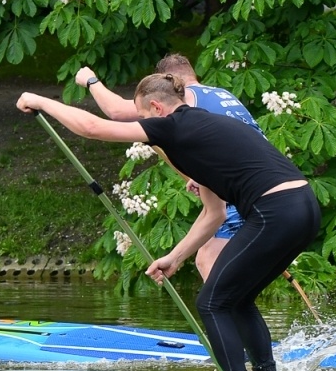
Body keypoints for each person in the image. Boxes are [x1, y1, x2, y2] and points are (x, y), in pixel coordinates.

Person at [19, 74, 320, 371]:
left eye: (142, 115)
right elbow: (215, 213)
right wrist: (175, 257)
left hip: (275, 211)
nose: (141, 124)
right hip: (304, 207)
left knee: (212, 302)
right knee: (237, 300)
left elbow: (91, 127)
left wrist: (41, 101)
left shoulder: (174, 125)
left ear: (156, 108)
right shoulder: (202, 135)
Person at [74, 54, 262, 280]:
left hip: (240, 189)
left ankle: (224, 313)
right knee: (216, 258)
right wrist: (199, 175)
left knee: (207, 258)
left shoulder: (183, 99)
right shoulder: (224, 95)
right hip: (264, 183)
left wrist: (90, 81)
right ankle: (229, 310)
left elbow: (116, 112)